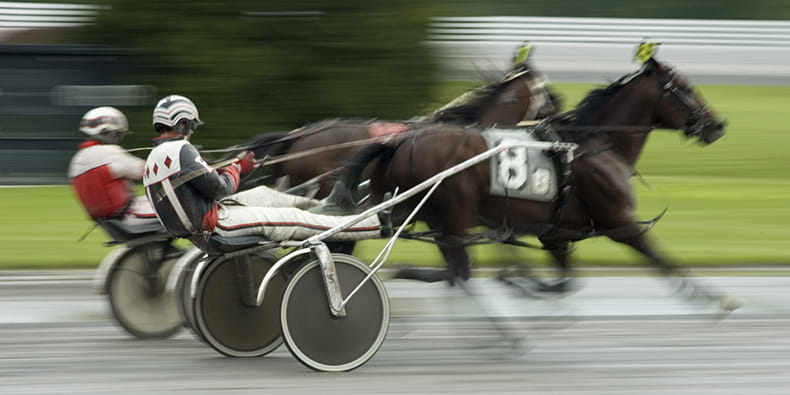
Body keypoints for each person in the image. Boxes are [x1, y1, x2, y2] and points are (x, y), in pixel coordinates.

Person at [142, 95, 388, 244]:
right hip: (217, 224)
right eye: (191, 126)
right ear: (182, 123)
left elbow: (202, 184)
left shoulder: (155, 157)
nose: (193, 131)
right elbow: (220, 188)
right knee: (295, 220)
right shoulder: (181, 150)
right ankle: (373, 224)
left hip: (205, 219)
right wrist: (238, 168)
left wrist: (236, 166)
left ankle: (329, 207)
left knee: (266, 194)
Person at [68, 106, 160, 227]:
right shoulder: (108, 153)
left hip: (111, 222)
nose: (118, 139)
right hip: (131, 216)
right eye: (117, 134)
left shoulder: (77, 160)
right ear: (106, 132)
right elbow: (146, 171)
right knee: (183, 205)